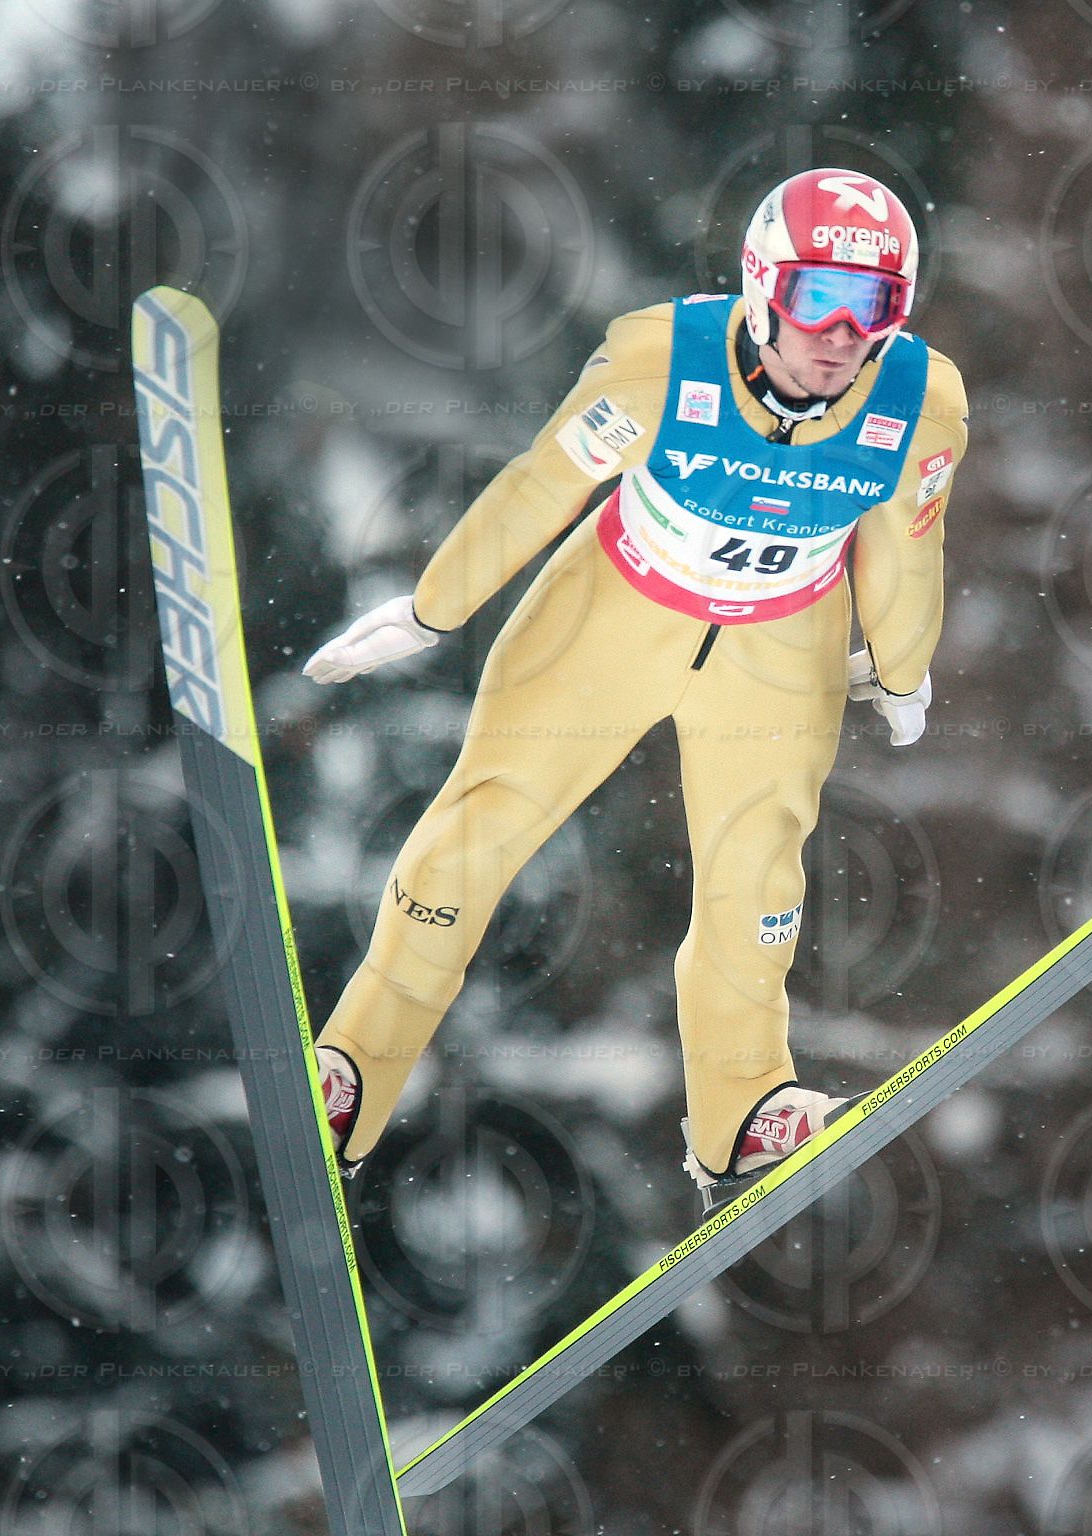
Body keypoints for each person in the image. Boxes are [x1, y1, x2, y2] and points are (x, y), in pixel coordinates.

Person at [298, 168, 969, 1211]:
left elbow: (907, 551)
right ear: (759, 288)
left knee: (760, 883)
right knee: (481, 830)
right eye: (815, 297)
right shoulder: (662, 361)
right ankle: (352, 1072)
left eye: (872, 304)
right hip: (613, 607)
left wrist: (902, 666)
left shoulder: (921, 404)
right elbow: (540, 484)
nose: (841, 334)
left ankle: (742, 1115)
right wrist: (435, 608)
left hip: (780, 643)